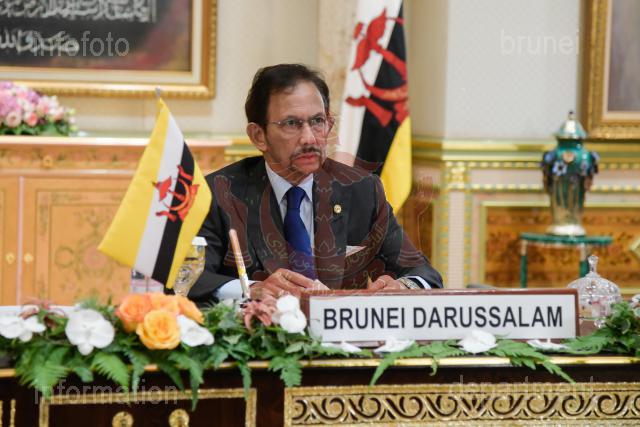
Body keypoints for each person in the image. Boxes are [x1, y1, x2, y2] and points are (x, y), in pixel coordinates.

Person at [188, 64, 442, 304]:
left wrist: (403, 287)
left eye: (318, 121)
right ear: (258, 135)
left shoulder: (362, 190)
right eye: (292, 124)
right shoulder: (219, 193)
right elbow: (190, 279)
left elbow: (422, 273)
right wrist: (251, 289)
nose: (309, 138)